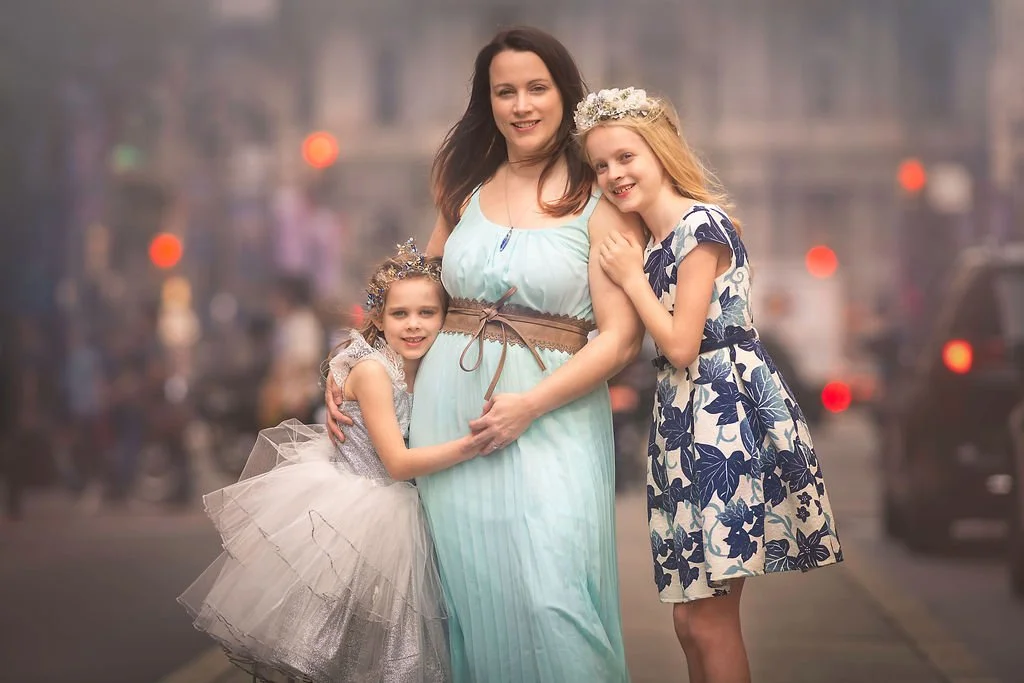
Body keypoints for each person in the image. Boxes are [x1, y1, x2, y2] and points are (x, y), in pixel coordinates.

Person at [326, 26, 644, 683]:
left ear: (564, 94)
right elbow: (416, 301)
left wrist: (529, 405)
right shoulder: (465, 184)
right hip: (450, 416)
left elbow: (621, 337)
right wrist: (356, 367)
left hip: (552, 416)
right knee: (470, 604)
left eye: (536, 88)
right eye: (505, 91)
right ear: (487, 101)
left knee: (553, 598)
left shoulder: (598, 191)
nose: (521, 105)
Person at [576, 87, 844, 683]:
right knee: (688, 623)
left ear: (661, 152)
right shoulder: (654, 238)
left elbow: (679, 344)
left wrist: (629, 276)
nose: (613, 175)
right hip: (681, 417)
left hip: (722, 418)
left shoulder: (701, 227)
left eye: (626, 157)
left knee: (712, 623)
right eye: (600, 166)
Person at [180, 241, 490, 682]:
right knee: (342, 651)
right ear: (379, 319)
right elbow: (398, 463)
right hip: (358, 519)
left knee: (375, 652)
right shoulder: (374, 372)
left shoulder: (419, 365)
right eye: (400, 314)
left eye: (427, 312)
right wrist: (472, 444)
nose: (415, 325)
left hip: (395, 511)